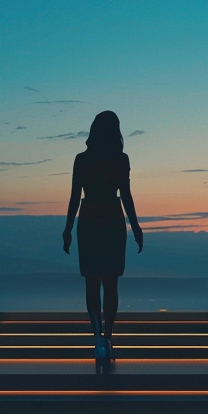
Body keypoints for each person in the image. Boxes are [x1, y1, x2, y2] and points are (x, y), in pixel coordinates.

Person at [61, 111, 144, 363]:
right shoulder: (121, 159)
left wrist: (67, 229)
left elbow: (75, 196)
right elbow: (126, 196)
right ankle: (108, 337)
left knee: (91, 283)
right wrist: (136, 226)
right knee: (111, 284)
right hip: (112, 219)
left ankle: (97, 336)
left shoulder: (82, 159)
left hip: (88, 220)